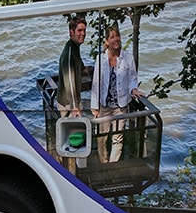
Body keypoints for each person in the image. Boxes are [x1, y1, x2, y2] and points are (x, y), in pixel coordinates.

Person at [91, 25, 143, 163]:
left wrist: (133, 89)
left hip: (121, 106)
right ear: (107, 41)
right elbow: (96, 83)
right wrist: (94, 106)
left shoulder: (128, 58)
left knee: (117, 139)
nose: (116, 39)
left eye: (117, 35)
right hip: (105, 105)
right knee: (101, 138)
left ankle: (112, 167)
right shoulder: (101, 59)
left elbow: (132, 78)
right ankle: (104, 163)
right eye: (112, 37)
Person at [57, 16, 87, 118]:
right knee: (72, 133)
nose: (83, 33)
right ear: (71, 32)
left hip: (72, 101)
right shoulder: (69, 52)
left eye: (84, 30)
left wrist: (83, 68)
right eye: (79, 30)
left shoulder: (74, 46)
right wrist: (74, 107)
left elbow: (77, 61)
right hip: (68, 104)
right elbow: (69, 80)